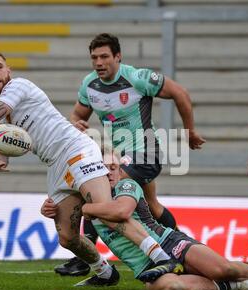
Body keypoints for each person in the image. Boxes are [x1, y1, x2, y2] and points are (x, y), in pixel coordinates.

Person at [0, 51, 184, 286]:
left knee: (106, 212)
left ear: (9, 71)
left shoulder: (17, 87)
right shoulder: (4, 113)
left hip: (75, 150)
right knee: (67, 238)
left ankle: (162, 257)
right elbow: (4, 155)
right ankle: (105, 272)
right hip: (56, 166)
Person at [42, 148, 248, 290]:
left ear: (120, 170)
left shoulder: (127, 186)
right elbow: (69, 232)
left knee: (221, 267)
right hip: (146, 264)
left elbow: (121, 212)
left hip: (169, 243)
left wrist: (86, 207)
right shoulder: (86, 198)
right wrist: (54, 210)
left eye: (113, 167)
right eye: (103, 168)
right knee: (164, 288)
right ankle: (235, 286)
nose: (109, 172)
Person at [55, 33, 206, 276]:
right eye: (94, 58)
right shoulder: (89, 85)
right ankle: (182, 248)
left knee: (99, 186)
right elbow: (76, 116)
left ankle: (85, 259)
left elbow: (181, 93)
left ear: (118, 56)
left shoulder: (137, 77)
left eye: (104, 56)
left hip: (147, 151)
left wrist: (190, 132)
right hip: (122, 156)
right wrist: (76, 124)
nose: (98, 62)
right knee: (153, 209)